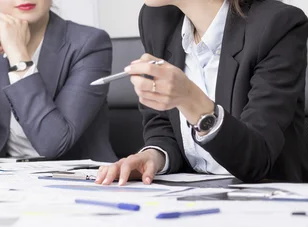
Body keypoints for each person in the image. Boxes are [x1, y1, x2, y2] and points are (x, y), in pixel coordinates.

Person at [96, 0, 308, 184]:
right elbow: (161, 126)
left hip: (266, 203)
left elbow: (256, 160)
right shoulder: (157, 19)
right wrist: (154, 157)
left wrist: (190, 98)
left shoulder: (278, 25)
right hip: (192, 199)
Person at [0, 0, 116, 161]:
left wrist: (17, 55)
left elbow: (53, 143)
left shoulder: (89, 44)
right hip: (12, 180)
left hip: (80, 181)